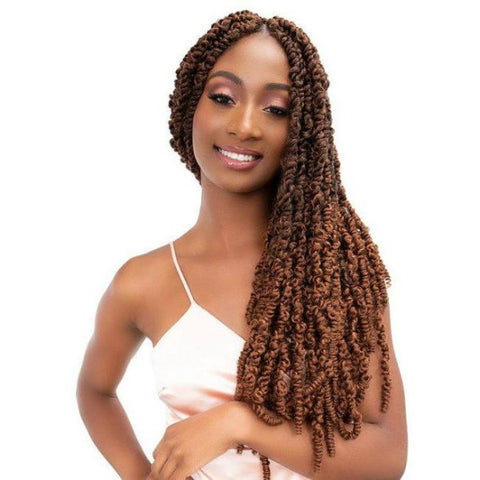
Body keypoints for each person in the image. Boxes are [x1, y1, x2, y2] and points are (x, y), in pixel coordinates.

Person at [76, 10, 408, 480]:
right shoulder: (142, 281)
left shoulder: (339, 277)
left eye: (276, 109)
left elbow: (388, 456)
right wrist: (140, 474)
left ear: (302, 132)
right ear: (190, 107)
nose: (246, 125)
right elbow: (95, 391)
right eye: (223, 98)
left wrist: (237, 423)